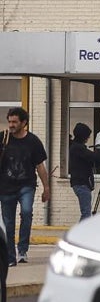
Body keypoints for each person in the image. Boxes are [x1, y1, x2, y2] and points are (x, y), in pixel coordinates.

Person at [0, 107, 51, 266]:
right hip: (5, 187)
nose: (11, 125)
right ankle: (10, 257)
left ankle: (22, 250)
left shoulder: (33, 141)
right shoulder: (3, 138)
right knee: (8, 223)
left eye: (15, 122)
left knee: (27, 212)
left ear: (24, 122)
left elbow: (40, 166)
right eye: (9, 121)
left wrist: (46, 187)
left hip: (26, 185)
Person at [68, 123, 100, 221]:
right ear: (83, 136)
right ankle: (80, 234)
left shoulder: (77, 147)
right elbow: (94, 157)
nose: (89, 138)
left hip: (81, 183)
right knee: (86, 213)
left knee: (86, 212)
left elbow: (93, 159)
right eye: (87, 136)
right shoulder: (77, 148)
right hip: (81, 184)